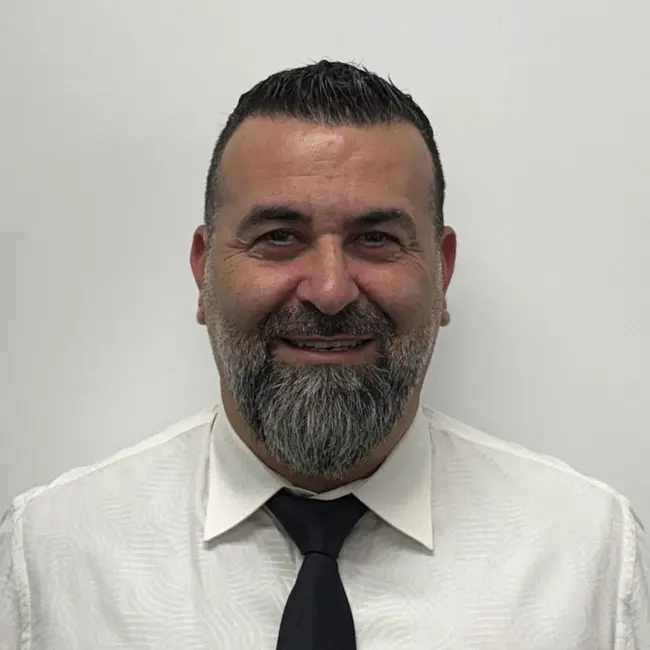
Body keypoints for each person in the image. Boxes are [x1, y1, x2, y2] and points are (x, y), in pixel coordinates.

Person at [0, 60, 647, 650]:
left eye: (377, 239)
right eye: (279, 237)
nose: (331, 291)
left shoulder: (589, 556)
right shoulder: (51, 557)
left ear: (443, 272)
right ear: (203, 271)